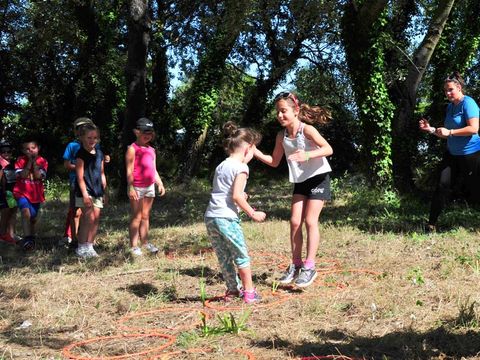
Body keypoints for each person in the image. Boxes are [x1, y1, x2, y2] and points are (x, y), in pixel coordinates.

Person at [254, 92, 333, 288]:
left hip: (318, 178)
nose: (280, 115)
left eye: (284, 111)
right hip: (301, 181)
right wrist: (255, 152)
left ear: (296, 111)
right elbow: (274, 161)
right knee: (295, 221)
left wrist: (307, 154)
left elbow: (328, 149)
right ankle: (296, 266)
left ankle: (309, 267)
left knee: (309, 220)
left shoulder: (308, 130)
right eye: (277, 112)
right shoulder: (281, 136)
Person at [204, 121, 266, 304]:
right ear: (248, 148)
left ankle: (232, 290)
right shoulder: (241, 168)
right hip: (227, 219)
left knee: (224, 257)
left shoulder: (222, 165)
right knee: (241, 255)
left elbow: (225, 191)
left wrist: (240, 196)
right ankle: (249, 292)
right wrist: (253, 213)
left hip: (211, 217)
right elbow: (237, 197)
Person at [419, 71, 480, 232]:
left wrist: (450, 133)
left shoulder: (469, 103)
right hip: (452, 155)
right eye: (445, 91)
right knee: (442, 186)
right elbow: (446, 132)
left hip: (471, 155)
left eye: (450, 89)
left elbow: (474, 129)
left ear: (459, 88)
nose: (447, 93)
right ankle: (431, 225)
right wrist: (431, 129)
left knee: (475, 189)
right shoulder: (450, 107)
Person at [125, 118, 165, 256]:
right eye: (144, 132)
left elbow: (154, 169)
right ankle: (134, 245)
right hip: (136, 187)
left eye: (150, 132)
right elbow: (129, 170)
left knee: (146, 215)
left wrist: (159, 182)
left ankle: (145, 242)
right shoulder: (132, 149)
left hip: (149, 187)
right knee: (136, 216)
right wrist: (130, 187)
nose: (147, 135)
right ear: (136, 132)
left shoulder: (151, 150)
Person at [60, 117, 95, 247]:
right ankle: (73, 240)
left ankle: (87, 239)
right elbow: (67, 164)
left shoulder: (94, 144)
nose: (84, 129)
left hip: (92, 183)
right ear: (76, 132)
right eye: (80, 128)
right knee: (76, 211)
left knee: (91, 211)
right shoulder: (72, 146)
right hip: (76, 182)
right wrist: (81, 167)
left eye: (87, 126)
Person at [75, 124, 106, 258]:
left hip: (98, 191)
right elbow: (79, 176)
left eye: (95, 137)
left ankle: (90, 245)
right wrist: (85, 194)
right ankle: (81, 246)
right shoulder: (80, 154)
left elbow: (102, 173)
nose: (92, 140)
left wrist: (105, 191)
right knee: (88, 218)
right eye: (89, 137)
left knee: (96, 219)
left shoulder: (100, 154)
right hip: (85, 191)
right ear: (82, 138)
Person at [13, 139, 48, 251]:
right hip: (21, 192)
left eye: (33, 148)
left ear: (38, 148)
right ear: (23, 151)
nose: (31, 151)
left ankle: (31, 237)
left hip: (36, 195)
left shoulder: (43, 161)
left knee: (32, 217)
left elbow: (38, 176)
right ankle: (28, 239)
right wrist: (29, 163)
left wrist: (34, 163)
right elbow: (23, 175)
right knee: (25, 212)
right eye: (27, 149)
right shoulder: (20, 160)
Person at [0, 140, 19, 244]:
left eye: (8, 151)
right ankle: (2, 234)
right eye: (3, 152)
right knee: (5, 212)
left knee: (13, 212)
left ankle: (11, 234)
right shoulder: (1, 164)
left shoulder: (12, 164)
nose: (6, 154)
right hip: (3, 193)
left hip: (12, 192)